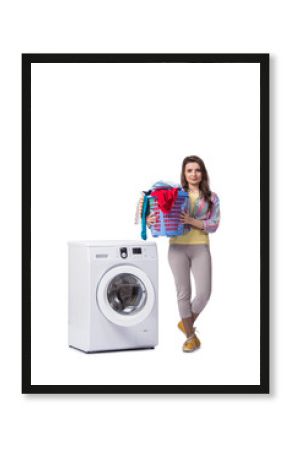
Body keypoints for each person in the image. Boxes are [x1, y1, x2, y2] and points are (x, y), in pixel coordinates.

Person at [147, 156, 220, 352]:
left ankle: (186, 322)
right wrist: (150, 219)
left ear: (203, 173)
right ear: (184, 173)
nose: (194, 174)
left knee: (204, 293)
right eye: (189, 170)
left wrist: (191, 220)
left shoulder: (212, 197)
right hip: (177, 248)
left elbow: (214, 225)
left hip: (200, 247)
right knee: (183, 294)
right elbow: (160, 215)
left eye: (197, 170)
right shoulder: (175, 194)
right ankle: (190, 337)